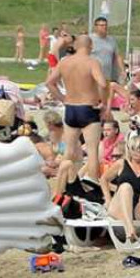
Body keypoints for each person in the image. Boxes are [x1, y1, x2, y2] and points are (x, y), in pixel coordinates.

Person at [47, 34, 107, 181]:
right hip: (88, 108)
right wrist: (103, 102)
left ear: (75, 46)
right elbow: (102, 83)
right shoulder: (92, 62)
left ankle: (62, 183)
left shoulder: (65, 62)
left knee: (69, 151)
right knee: (92, 152)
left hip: (71, 108)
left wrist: (62, 98)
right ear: (90, 46)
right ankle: (92, 184)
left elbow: (49, 82)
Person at [100, 134, 140, 250]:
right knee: (126, 187)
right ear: (129, 150)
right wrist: (108, 199)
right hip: (119, 207)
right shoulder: (122, 163)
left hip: (137, 208)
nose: (137, 151)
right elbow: (103, 179)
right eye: (133, 148)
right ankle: (129, 228)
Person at [90, 17, 123, 108]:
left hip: (107, 74)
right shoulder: (90, 39)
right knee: (94, 99)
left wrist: (122, 70)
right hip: (94, 75)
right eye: (101, 25)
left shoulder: (111, 40)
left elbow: (117, 55)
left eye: (105, 25)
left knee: (104, 100)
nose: (104, 27)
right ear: (96, 27)